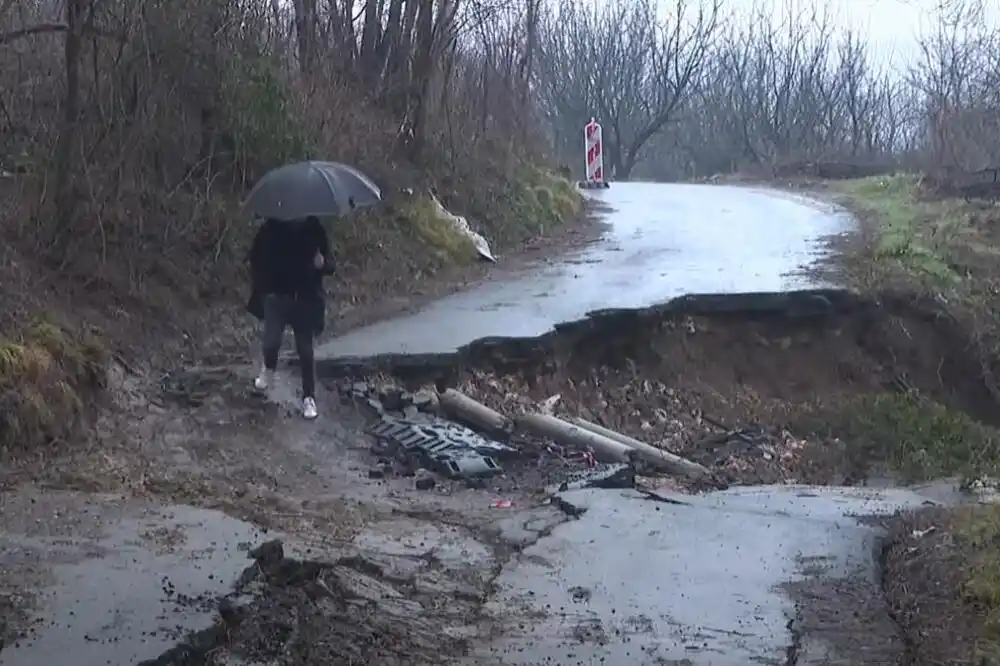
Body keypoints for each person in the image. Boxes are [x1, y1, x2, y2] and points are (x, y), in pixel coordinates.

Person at [246, 215, 335, 419]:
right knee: (271, 342)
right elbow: (255, 257)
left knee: (305, 351)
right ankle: (268, 369)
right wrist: (264, 283)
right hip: (277, 297)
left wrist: (322, 264)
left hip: (305, 299)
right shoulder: (270, 228)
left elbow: (330, 263)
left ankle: (308, 398)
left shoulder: (315, 229)